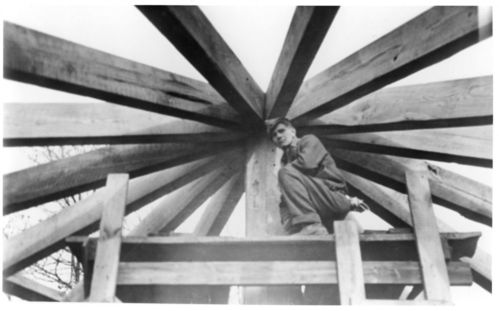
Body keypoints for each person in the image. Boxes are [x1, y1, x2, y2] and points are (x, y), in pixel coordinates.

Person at [269, 117, 368, 235]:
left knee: (285, 173)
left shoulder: (308, 140)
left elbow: (307, 163)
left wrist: (280, 171)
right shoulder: (286, 160)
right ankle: (296, 229)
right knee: (284, 198)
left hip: (333, 196)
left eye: (281, 131)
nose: (278, 136)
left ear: (293, 131)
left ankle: (311, 225)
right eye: (274, 135)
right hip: (318, 201)